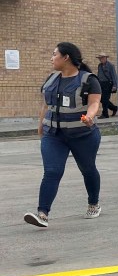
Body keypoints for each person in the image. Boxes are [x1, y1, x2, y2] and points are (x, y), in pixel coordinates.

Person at [24, 42, 103, 227]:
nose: (52, 58)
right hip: (54, 135)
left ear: (65, 57)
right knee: (52, 171)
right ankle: (42, 213)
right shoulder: (51, 79)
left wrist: (89, 117)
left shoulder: (88, 79)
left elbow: (94, 103)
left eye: (54, 54)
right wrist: (41, 126)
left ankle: (94, 203)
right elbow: (45, 105)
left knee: (88, 169)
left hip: (83, 135)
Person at [95, 53, 118, 119]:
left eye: (102, 58)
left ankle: (105, 114)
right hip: (101, 83)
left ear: (105, 58)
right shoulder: (99, 66)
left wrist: (115, 85)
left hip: (108, 84)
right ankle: (114, 108)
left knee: (105, 99)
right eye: (100, 58)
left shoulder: (110, 65)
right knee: (101, 99)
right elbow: (99, 75)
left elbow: (114, 76)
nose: (101, 59)